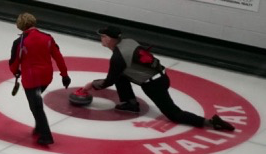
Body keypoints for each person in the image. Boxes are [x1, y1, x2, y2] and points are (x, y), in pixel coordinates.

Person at [77, 25, 234, 130]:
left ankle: (210, 123)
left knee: (174, 114)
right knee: (121, 75)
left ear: (108, 39)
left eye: (102, 36)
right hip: (161, 75)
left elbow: (109, 81)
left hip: (154, 84)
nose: (100, 39)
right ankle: (130, 103)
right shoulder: (128, 41)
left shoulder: (118, 57)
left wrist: (91, 85)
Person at [8, 13, 70, 146]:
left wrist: (16, 72)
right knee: (36, 101)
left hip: (31, 80)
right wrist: (64, 75)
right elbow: (58, 57)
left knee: (36, 106)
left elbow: (13, 62)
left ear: (20, 26)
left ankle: (46, 136)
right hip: (46, 78)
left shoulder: (19, 42)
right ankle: (39, 127)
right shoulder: (48, 38)